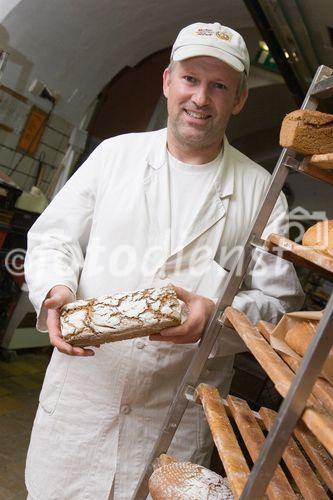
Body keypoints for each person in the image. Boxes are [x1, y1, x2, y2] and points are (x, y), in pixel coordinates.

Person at [25, 22, 304, 499]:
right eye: (190, 79)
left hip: (170, 421)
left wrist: (214, 315)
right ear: (168, 82)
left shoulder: (263, 194)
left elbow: (280, 306)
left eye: (219, 86)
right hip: (81, 408)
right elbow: (55, 238)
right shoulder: (114, 156)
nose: (200, 98)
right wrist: (56, 289)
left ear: (238, 100)